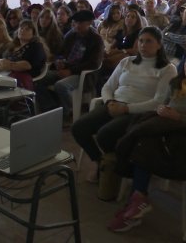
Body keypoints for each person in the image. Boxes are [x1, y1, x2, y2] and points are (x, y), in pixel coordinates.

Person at [109, 47, 186, 232]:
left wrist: (180, 118)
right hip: (166, 129)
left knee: (143, 141)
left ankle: (136, 198)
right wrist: (162, 111)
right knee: (143, 139)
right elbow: (164, 105)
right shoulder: (177, 83)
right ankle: (138, 198)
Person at [72, 27, 177, 184]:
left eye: (149, 41)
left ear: (159, 45)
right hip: (114, 104)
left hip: (139, 111)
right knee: (79, 127)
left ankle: (120, 167)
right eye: (141, 41)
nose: (143, 45)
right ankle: (101, 162)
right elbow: (108, 87)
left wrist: (126, 108)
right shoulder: (127, 61)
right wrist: (109, 102)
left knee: (105, 134)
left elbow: (158, 101)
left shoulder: (167, 69)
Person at [35, 10, 105, 117]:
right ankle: (51, 108)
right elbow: (60, 52)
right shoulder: (71, 35)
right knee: (38, 80)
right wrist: (59, 61)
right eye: (75, 23)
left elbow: (94, 63)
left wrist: (71, 71)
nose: (77, 25)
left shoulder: (96, 39)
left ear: (89, 23)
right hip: (65, 69)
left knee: (61, 86)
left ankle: (67, 113)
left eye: (81, 23)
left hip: (82, 75)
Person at [0, 19, 47, 91]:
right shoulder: (13, 45)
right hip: (6, 73)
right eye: (21, 28)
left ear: (33, 33)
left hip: (22, 77)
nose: (22, 30)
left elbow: (27, 66)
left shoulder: (36, 46)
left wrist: (3, 66)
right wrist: (5, 64)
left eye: (27, 29)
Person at [101, 9, 142, 74]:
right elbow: (112, 46)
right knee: (101, 56)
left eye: (133, 17)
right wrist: (109, 51)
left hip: (129, 55)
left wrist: (119, 51)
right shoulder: (121, 31)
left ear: (137, 21)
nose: (129, 18)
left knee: (110, 60)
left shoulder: (139, 32)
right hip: (117, 52)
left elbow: (135, 50)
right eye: (127, 16)